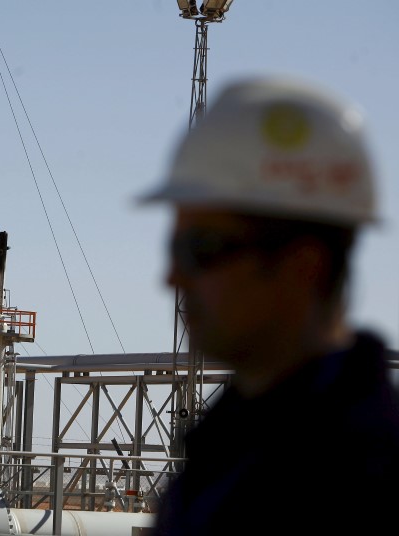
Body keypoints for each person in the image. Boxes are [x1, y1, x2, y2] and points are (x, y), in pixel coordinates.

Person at [139, 76, 399, 535]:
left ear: (304, 267)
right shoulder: (228, 448)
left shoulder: (364, 482)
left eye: (201, 249)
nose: (172, 278)